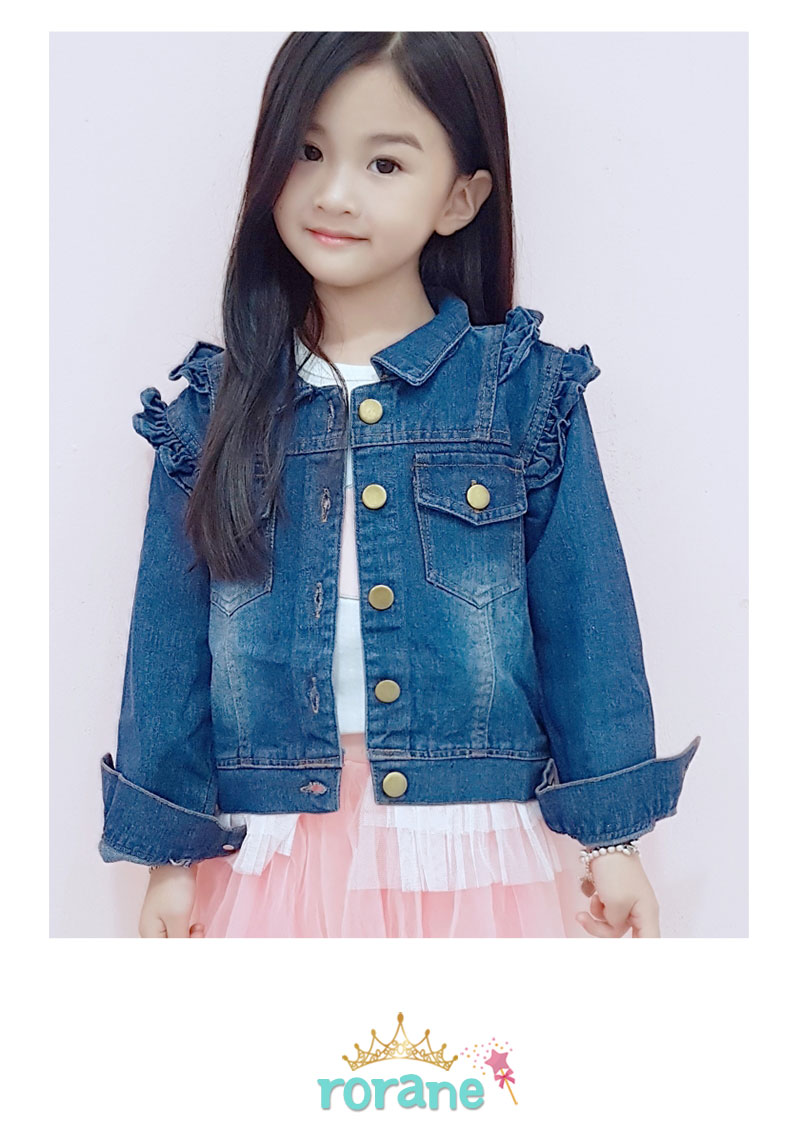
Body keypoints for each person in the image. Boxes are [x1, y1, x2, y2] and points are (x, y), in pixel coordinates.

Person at [98, 32, 701, 939]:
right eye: (308, 151)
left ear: (460, 198)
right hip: (275, 852)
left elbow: (588, 621)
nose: (334, 192)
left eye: (384, 163)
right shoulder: (211, 415)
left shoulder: (519, 395)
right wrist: (169, 856)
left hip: (463, 848)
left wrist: (612, 839)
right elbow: (167, 649)